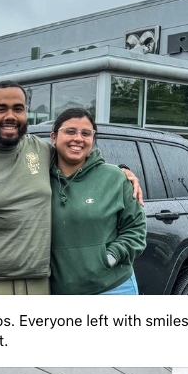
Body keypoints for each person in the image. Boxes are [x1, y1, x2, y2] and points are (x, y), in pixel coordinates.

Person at [0, 80, 142, 295]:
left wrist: (123, 172)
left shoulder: (40, 150)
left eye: (18, 108)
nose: (10, 116)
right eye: (1, 109)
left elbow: (78, 158)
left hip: (39, 286)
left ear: (26, 112)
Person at [49, 108, 146, 294]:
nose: (78, 138)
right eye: (70, 131)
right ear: (53, 137)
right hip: (59, 291)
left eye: (86, 133)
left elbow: (136, 229)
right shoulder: (39, 178)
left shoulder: (115, 178)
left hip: (114, 288)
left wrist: (109, 257)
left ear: (92, 139)